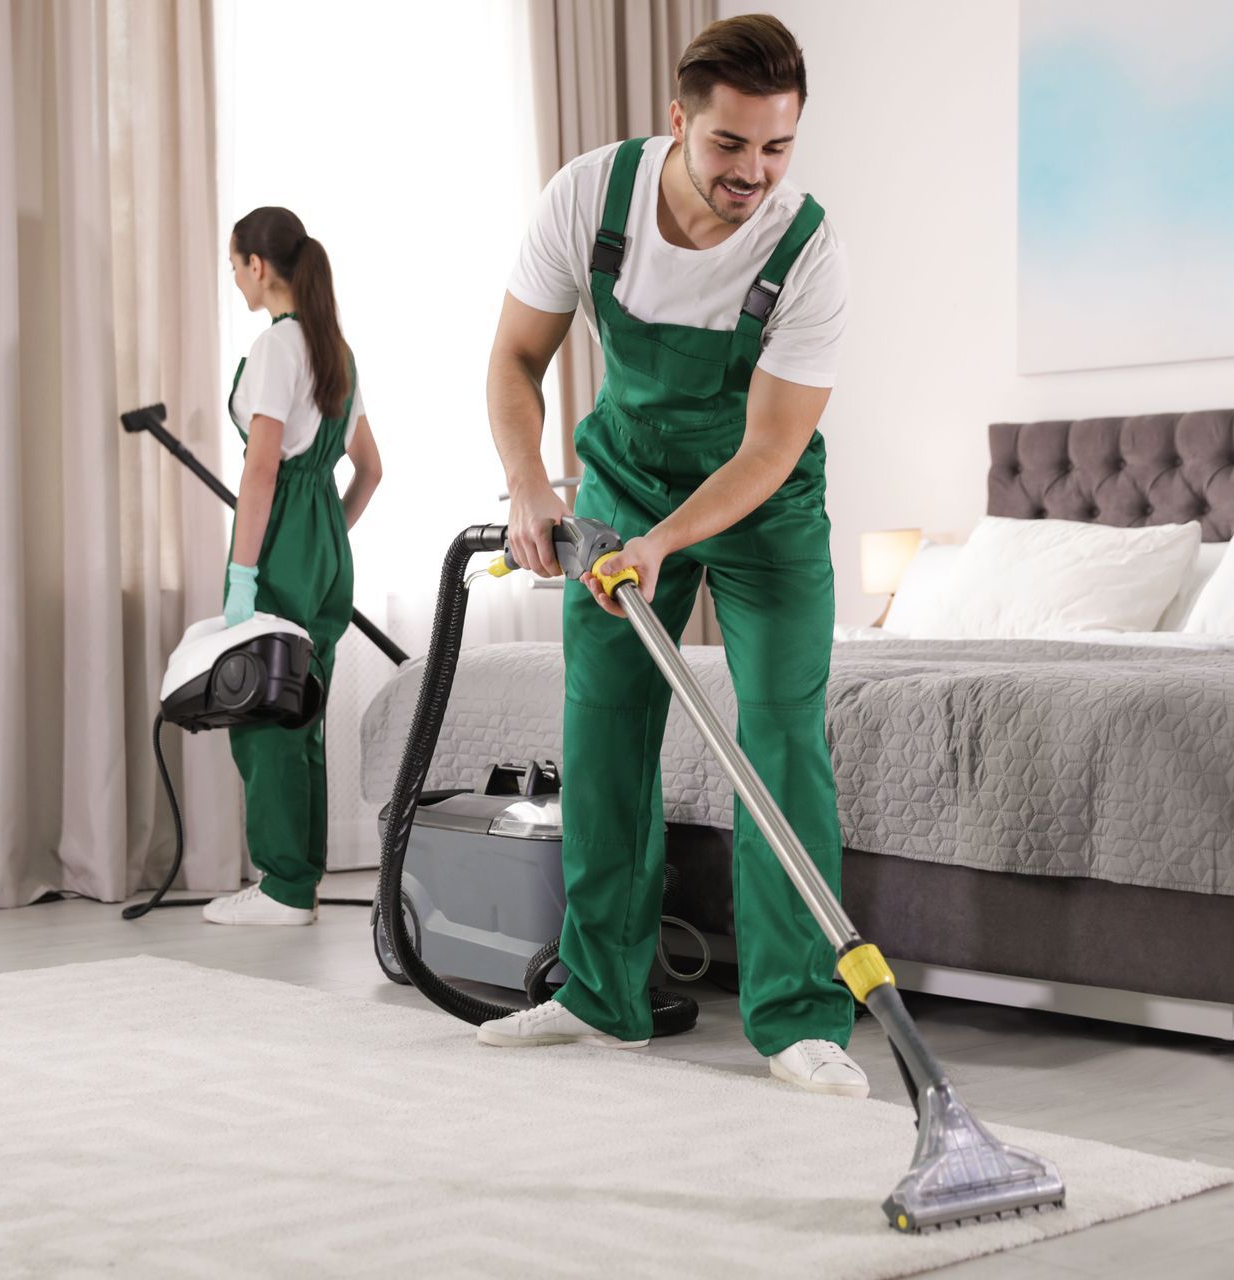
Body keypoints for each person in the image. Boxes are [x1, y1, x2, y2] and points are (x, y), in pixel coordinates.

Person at [479, 14, 865, 1096]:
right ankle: (601, 994)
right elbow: (514, 357)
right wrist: (529, 486)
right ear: (678, 120)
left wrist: (658, 544)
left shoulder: (809, 249)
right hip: (619, 482)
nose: (754, 172)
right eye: (730, 145)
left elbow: (772, 444)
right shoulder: (591, 198)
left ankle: (798, 1018)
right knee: (604, 730)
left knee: (781, 738)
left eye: (778, 148)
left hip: (764, 508)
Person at [201, 207, 383, 927]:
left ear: (257, 265)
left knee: (262, 713)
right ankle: (299, 881)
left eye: (234, 265)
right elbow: (370, 470)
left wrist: (247, 575)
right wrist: (326, 542)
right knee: (301, 712)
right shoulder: (334, 347)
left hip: (279, 544)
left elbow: (261, 473)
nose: (235, 279)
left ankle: (281, 889)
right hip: (328, 553)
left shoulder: (277, 347)